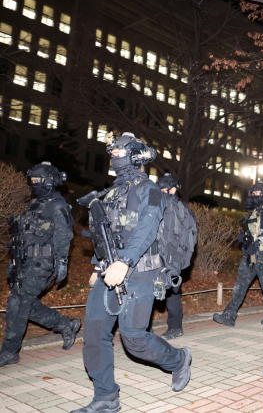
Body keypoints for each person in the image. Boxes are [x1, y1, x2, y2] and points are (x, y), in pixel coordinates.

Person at [73, 133, 190, 413]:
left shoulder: (148, 189)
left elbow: (146, 230)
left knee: (134, 339)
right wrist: (97, 265)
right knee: (94, 333)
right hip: (108, 270)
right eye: (111, 153)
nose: (114, 157)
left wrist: (124, 262)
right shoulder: (112, 192)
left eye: (119, 152)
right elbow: (107, 234)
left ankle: (178, 360)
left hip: (140, 272)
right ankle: (106, 397)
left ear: (135, 156)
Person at [0, 162, 80, 368]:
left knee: (17, 304)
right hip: (25, 261)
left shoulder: (58, 205)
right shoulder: (35, 204)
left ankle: (9, 352)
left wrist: (62, 262)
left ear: (49, 182)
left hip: (41, 263)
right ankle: (65, 324)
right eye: (32, 181)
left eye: (37, 181)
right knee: (24, 303)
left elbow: (64, 236)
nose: (33, 184)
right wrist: (14, 259)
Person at [214, 182, 263, 327]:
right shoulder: (253, 213)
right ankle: (229, 315)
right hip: (250, 255)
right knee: (240, 285)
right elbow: (252, 231)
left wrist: (258, 242)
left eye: (259, 193)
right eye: (253, 193)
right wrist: (244, 236)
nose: (256, 195)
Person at [157, 174, 197, 340]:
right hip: (172, 257)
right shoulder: (183, 208)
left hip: (166, 256)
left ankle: (174, 327)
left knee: (169, 291)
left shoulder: (167, 205)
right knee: (170, 291)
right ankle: (174, 327)